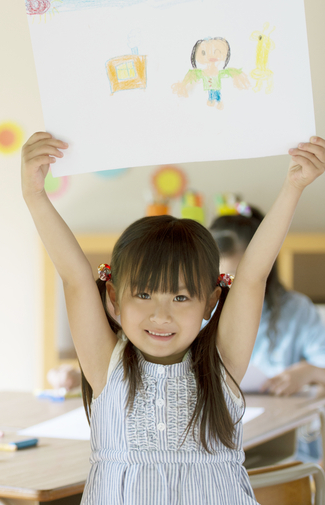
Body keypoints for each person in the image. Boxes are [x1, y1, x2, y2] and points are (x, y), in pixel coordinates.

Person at [21, 131, 324, 504]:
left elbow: (252, 278)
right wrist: (35, 195)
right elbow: (76, 279)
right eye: (144, 294)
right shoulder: (107, 365)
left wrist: (293, 186)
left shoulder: (221, 364)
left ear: (211, 302)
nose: (160, 315)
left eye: (180, 297)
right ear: (114, 298)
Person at [211, 206, 325, 461]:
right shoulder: (199, 310)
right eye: (223, 279)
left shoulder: (295, 310)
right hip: (218, 440)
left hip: (284, 445)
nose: (232, 288)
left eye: (244, 277)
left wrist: (310, 372)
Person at [171, 37, 249, 109]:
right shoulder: (202, 72)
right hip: (209, 85)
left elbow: (227, 72)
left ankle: (218, 101)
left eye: (217, 52)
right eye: (204, 53)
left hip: (215, 84)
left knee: (216, 92)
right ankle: (212, 100)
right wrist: (184, 84)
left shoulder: (217, 72)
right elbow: (193, 75)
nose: (212, 56)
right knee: (211, 92)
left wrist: (236, 75)